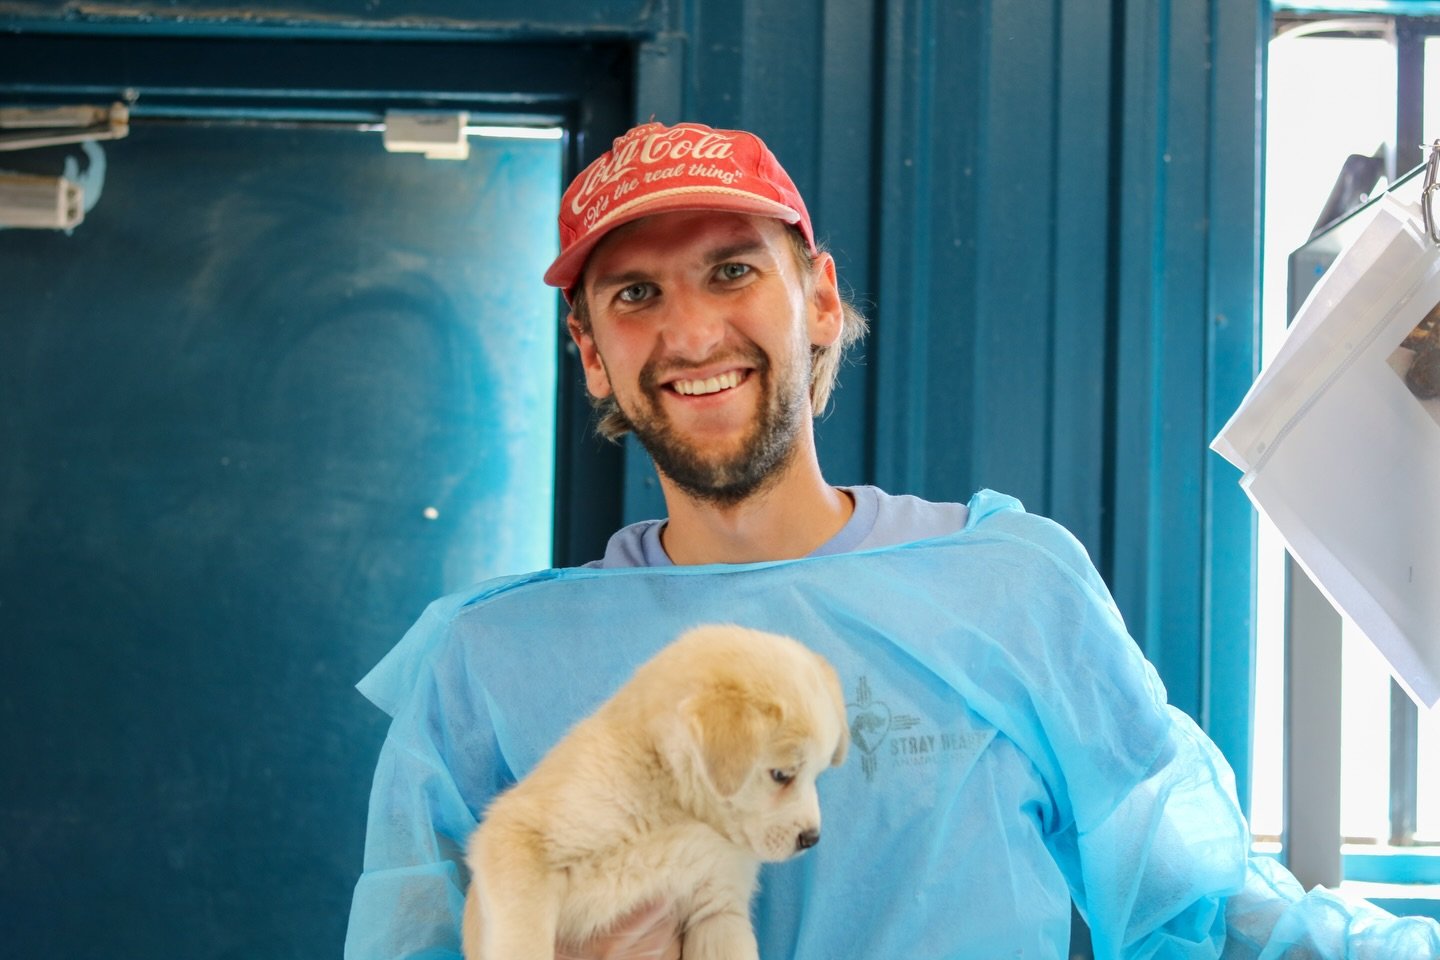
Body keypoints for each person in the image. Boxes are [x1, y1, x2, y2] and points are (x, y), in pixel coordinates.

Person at [345, 121, 1440, 959]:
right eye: (635, 294)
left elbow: (1202, 910)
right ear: (590, 352)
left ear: (817, 300)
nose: (688, 333)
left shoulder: (1008, 588)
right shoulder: (494, 663)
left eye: (733, 269)